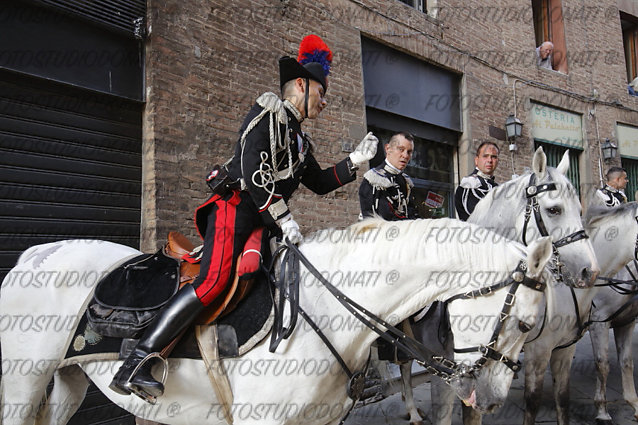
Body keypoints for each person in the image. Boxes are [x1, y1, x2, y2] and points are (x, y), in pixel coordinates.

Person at [109, 34, 378, 401]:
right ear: (301, 83)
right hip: (234, 210)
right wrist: (284, 217)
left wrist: (357, 161)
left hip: (260, 224)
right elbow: (253, 172)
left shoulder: (299, 140)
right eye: (322, 91)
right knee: (214, 282)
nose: (325, 101)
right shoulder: (267, 113)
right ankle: (137, 361)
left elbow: (318, 182)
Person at [359, 132, 419, 220]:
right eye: (401, 149)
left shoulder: (406, 181)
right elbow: (383, 218)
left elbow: (412, 212)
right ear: (388, 149)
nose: (405, 155)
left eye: (409, 152)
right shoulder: (374, 178)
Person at [454, 141, 499, 221]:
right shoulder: (469, 183)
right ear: (476, 160)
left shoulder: (497, 186)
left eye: (493, 157)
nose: (490, 160)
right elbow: (475, 216)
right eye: (485, 156)